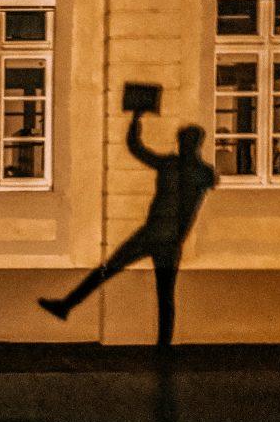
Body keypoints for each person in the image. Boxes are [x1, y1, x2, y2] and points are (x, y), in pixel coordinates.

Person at [38, 111, 216, 346]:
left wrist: (135, 119)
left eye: (184, 140)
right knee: (162, 294)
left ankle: (67, 305)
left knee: (111, 270)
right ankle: (163, 345)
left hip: (155, 234)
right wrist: (135, 121)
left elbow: (138, 149)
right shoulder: (198, 171)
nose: (182, 144)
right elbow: (139, 150)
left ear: (191, 143)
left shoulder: (176, 166)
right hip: (168, 239)